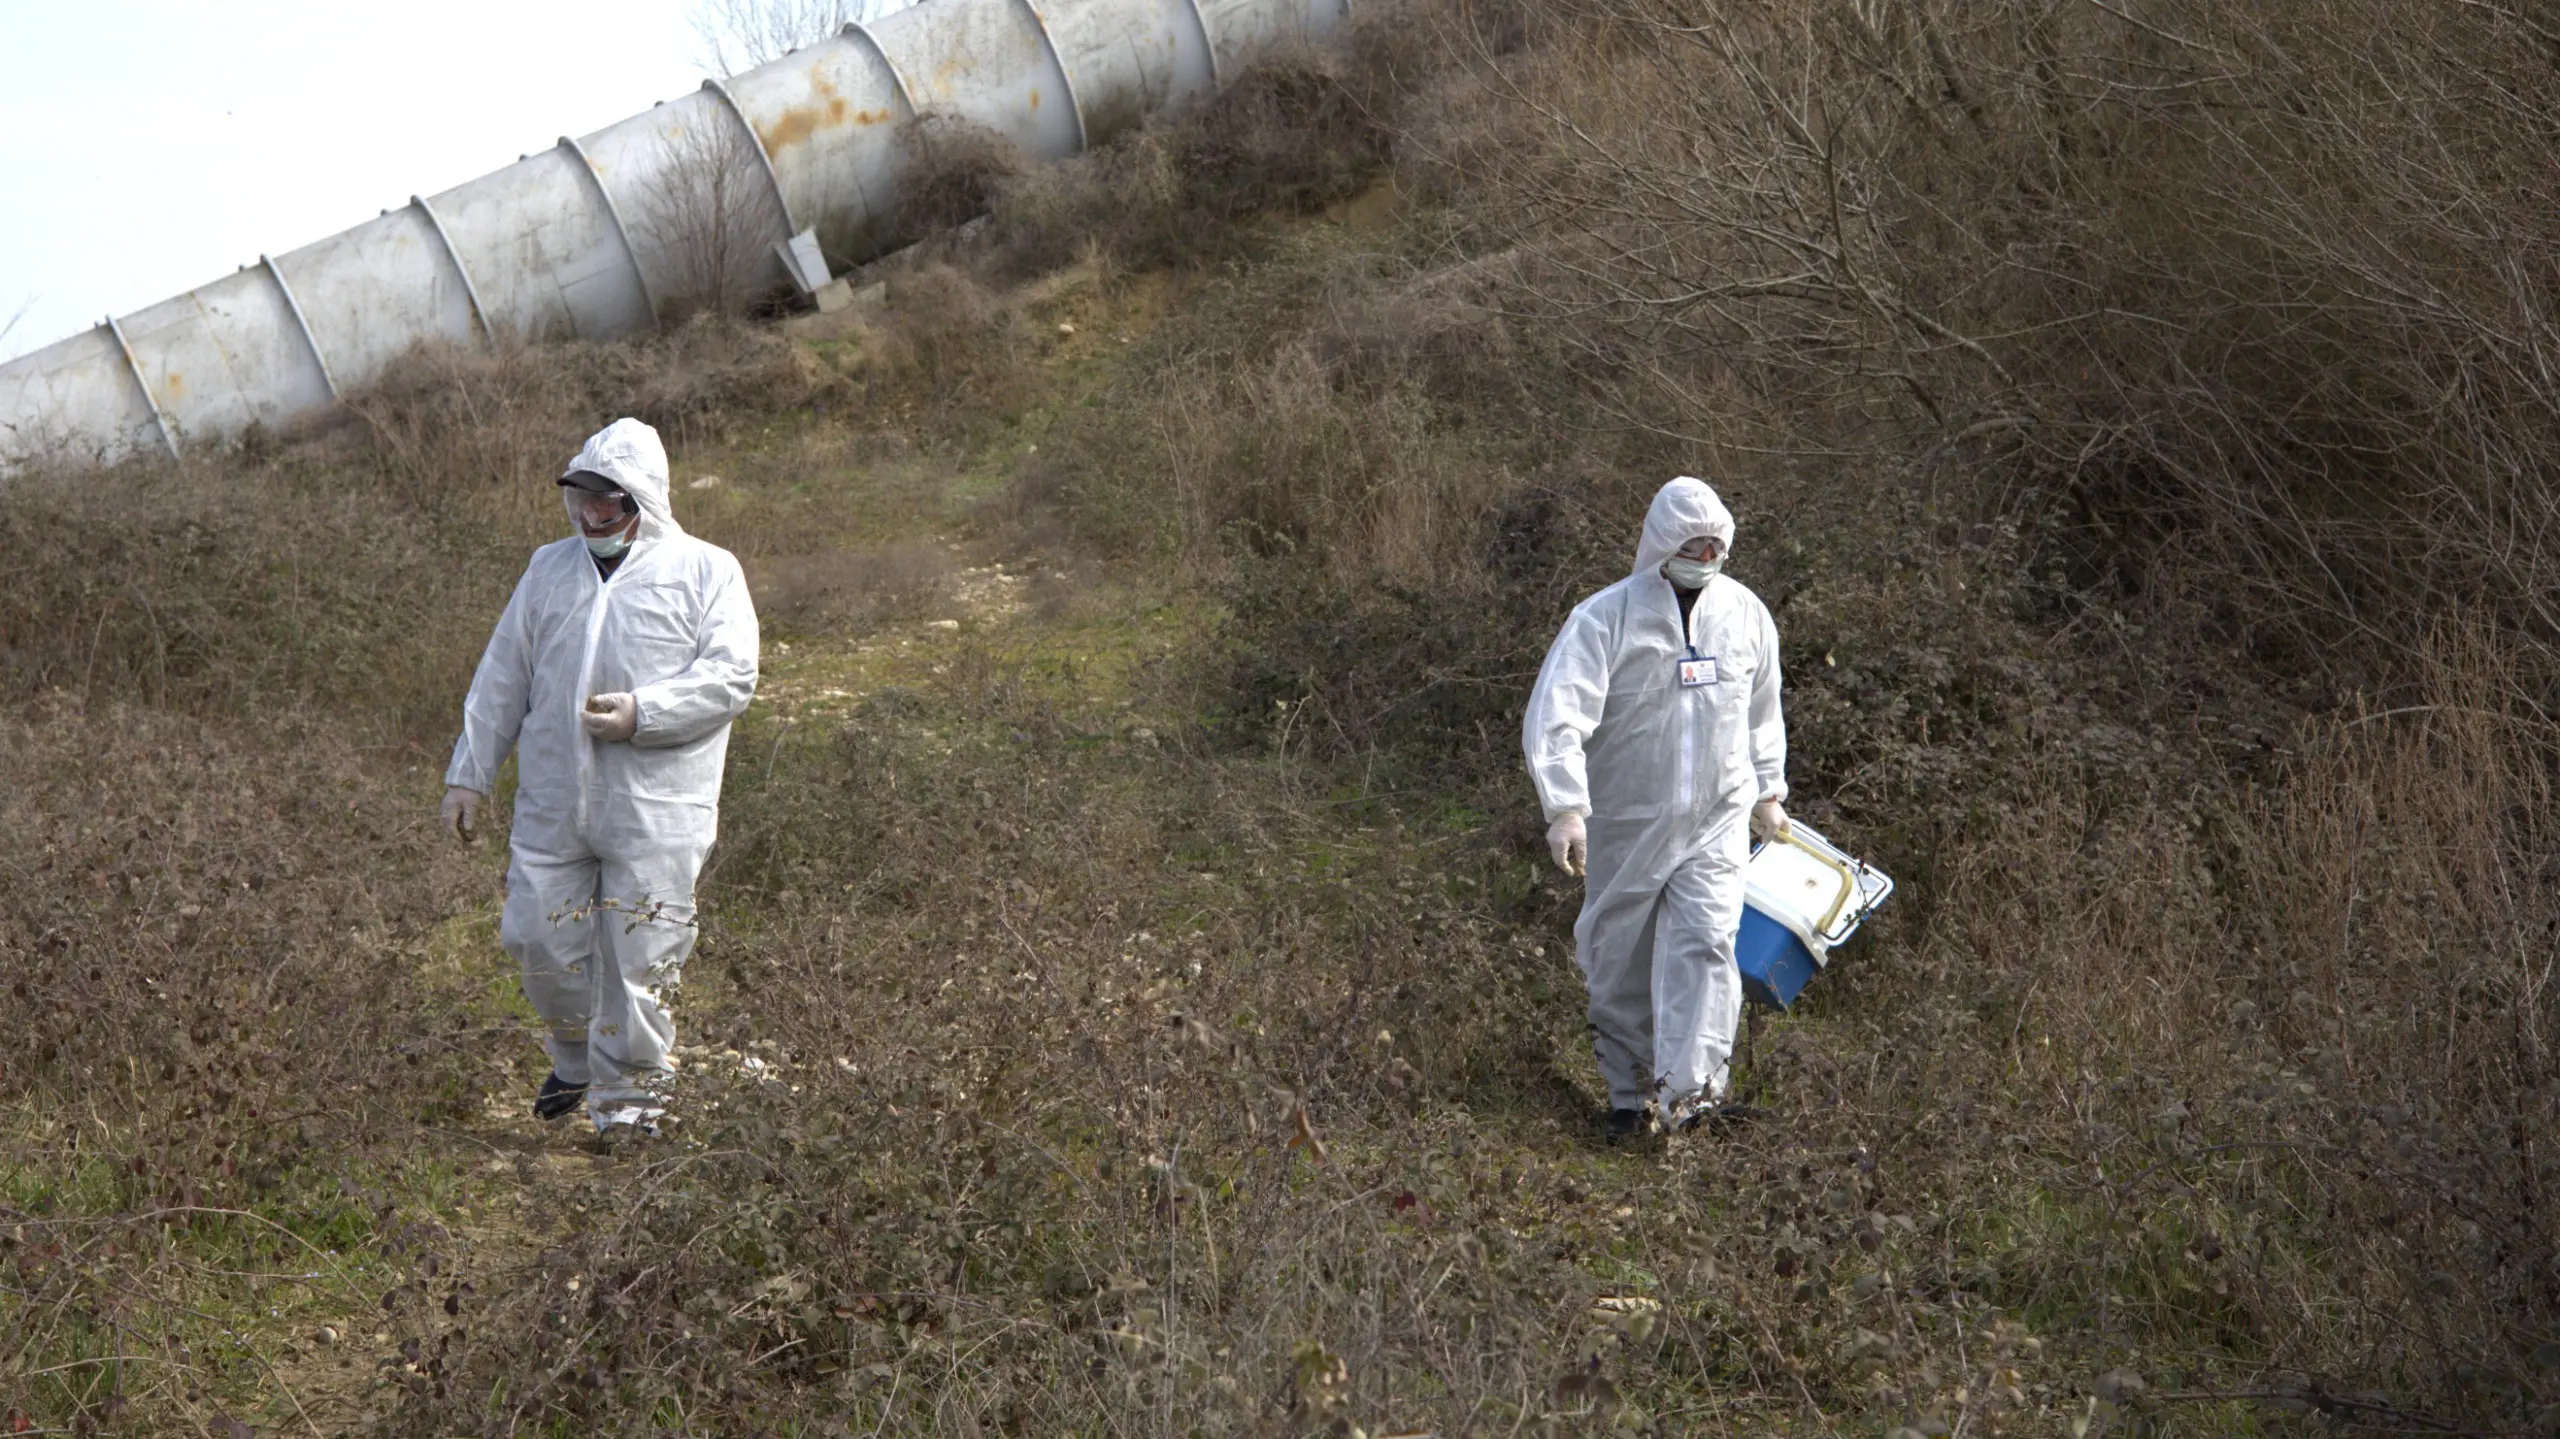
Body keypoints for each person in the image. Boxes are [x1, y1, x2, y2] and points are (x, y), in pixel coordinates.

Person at [438, 418, 759, 1137]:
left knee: (641, 957)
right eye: (581, 500)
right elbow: (502, 676)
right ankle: (578, 1053)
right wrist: (470, 775)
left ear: (641, 499)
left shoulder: (707, 570)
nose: (591, 517)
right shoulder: (548, 569)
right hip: (553, 800)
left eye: (606, 504)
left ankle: (631, 1112)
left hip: (656, 807)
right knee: (534, 935)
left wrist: (644, 713)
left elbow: (732, 676)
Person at [1523, 476, 1788, 1139]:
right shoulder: (1606, 618)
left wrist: (1768, 791)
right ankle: (1628, 1097)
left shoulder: (1747, 614)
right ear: (1663, 542)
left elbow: (1762, 710)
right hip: (1629, 819)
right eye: (1692, 544)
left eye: (1714, 545)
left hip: (1716, 820)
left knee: (1706, 947)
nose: (1704, 557)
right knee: (1619, 954)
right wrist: (1566, 808)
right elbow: (1558, 714)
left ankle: (1693, 1102)